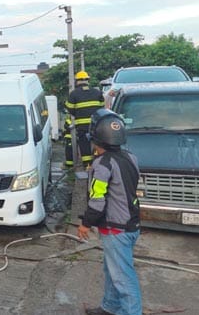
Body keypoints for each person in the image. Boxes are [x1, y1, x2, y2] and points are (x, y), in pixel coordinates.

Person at [77, 109, 142, 315]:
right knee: (113, 271)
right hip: (131, 225)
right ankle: (110, 307)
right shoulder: (131, 157)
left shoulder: (102, 165)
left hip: (116, 229)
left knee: (123, 278)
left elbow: (97, 200)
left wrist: (86, 223)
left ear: (96, 139)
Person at [65, 70, 104, 167]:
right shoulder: (97, 92)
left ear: (77, 81)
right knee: (98, 143)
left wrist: (78, 114)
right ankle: (100, 162)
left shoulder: (74, 94)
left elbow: (70, 108)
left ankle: (87, 165)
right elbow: (102, 107)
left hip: (82, 125)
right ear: (87, 80)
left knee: (84, 144)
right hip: (96, 124)